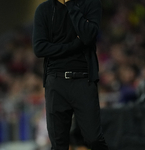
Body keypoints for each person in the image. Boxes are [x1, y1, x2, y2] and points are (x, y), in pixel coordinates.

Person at [33, 0, 109, 149]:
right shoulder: (44, 9)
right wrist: (74, 45)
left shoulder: (90, 4)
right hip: (55, 82)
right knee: (58, 144)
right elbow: (39, 48)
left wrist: (70, 5)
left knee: (94, 139)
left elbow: (88, 36)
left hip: (84, 80)